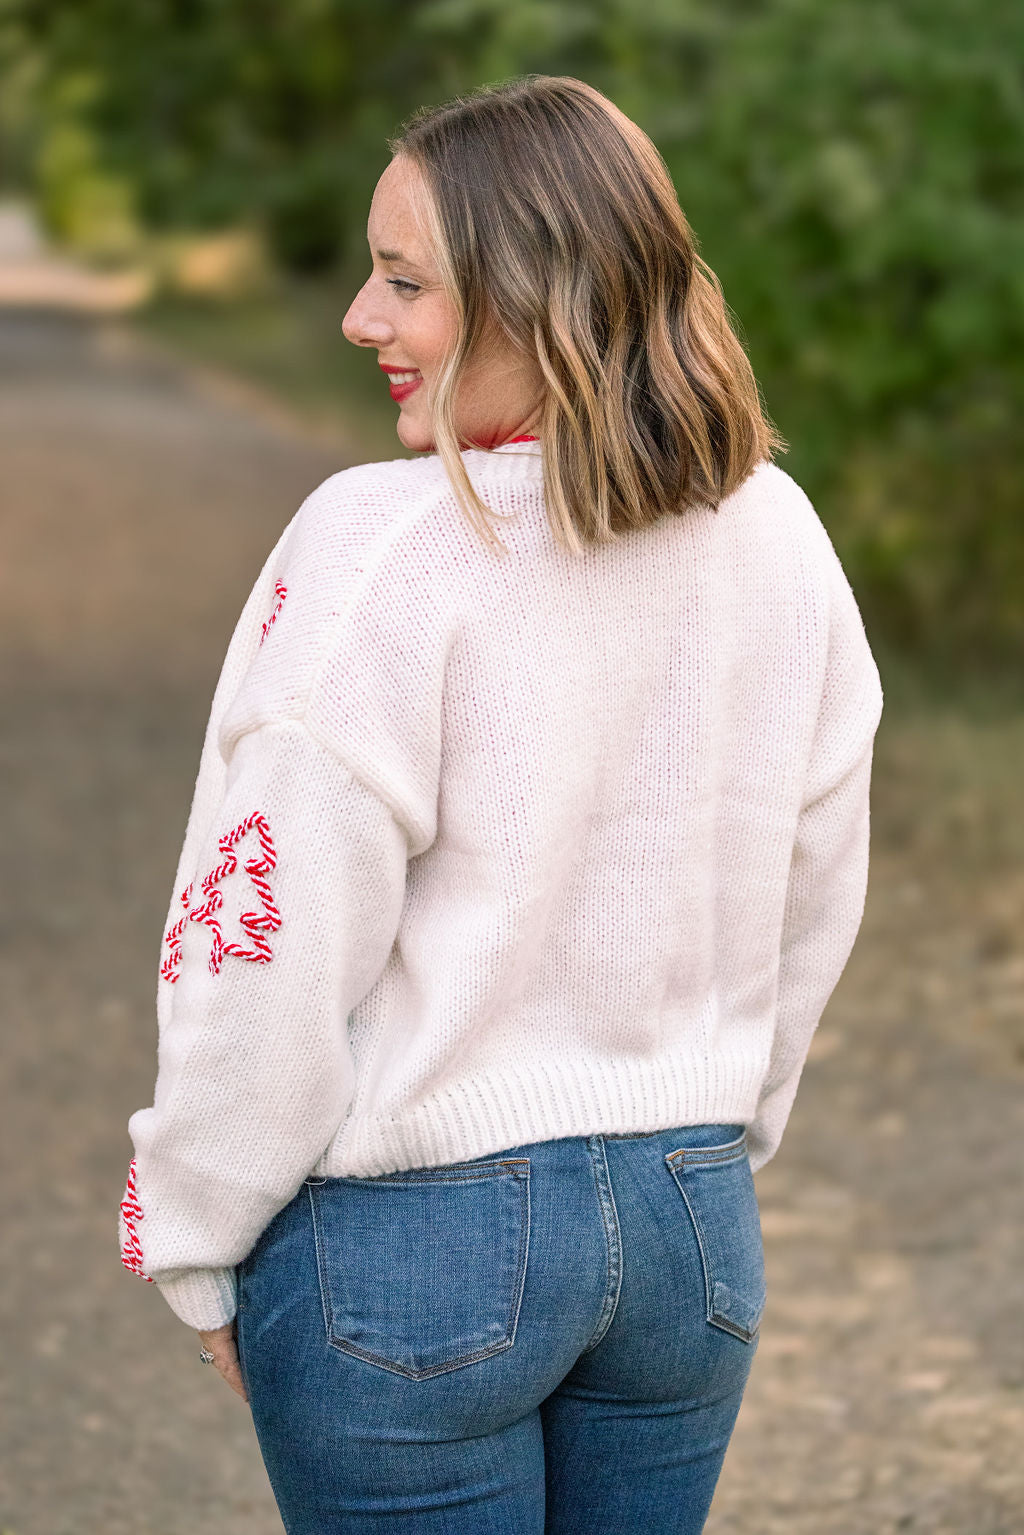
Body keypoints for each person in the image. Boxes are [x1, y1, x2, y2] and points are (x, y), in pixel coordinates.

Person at [119, 74, 883, 1534]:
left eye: (404, 281)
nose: (359, 316)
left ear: (533, 298)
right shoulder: (778, 533)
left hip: (415, 1249)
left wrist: (196, 1227)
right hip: (690, 1230)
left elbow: (267, 921)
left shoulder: (381, 544)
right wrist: (720, 1128)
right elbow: (816, 880)